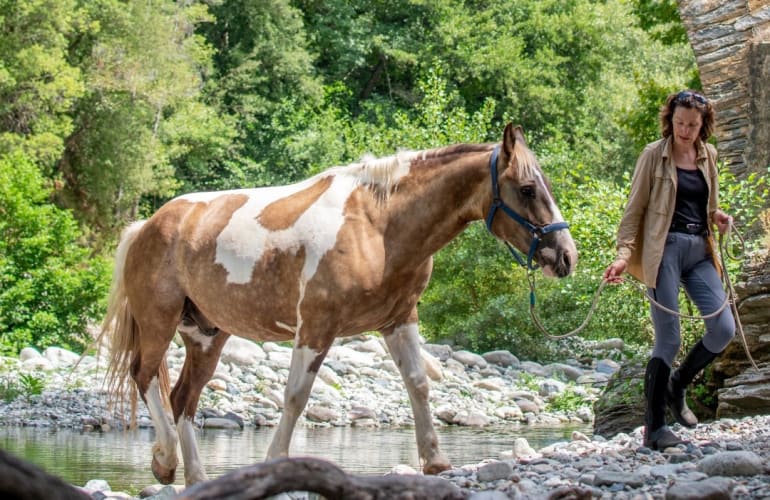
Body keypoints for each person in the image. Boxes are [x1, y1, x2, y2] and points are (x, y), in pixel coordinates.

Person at [603, 89, 736, 450]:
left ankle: (678, 384)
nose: (685, 130)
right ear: (670, 120)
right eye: (679, 123)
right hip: (664, 252)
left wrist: (718, 217)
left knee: (724, 328)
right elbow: (634, 211)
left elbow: (708, 205)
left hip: (701, 251)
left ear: (702, 124)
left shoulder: (708, 155)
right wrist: (622, 254)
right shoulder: (653, 155)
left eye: (692, 124)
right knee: (669, 338)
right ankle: (655, 429)